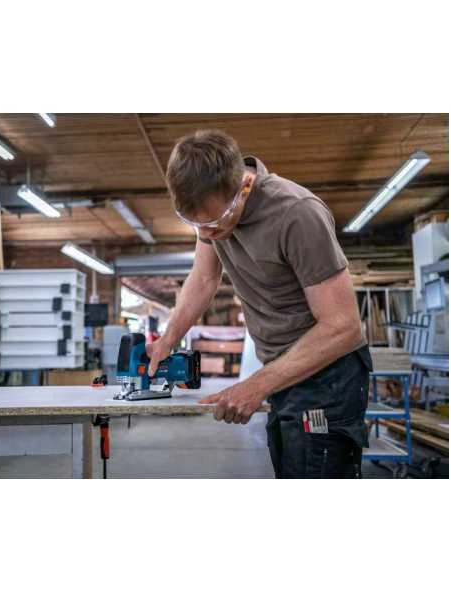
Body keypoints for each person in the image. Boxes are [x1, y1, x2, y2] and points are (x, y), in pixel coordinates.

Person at [146, 129, 372, 479]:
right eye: (195, 224)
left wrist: (256, 385)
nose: (205, 234)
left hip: (328, 373)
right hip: (283, 369)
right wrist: (168, 339)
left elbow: (343, 326)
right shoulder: (211, 214)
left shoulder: (297, 214)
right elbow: (203, 278)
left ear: (245, 188)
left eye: (213, 223)